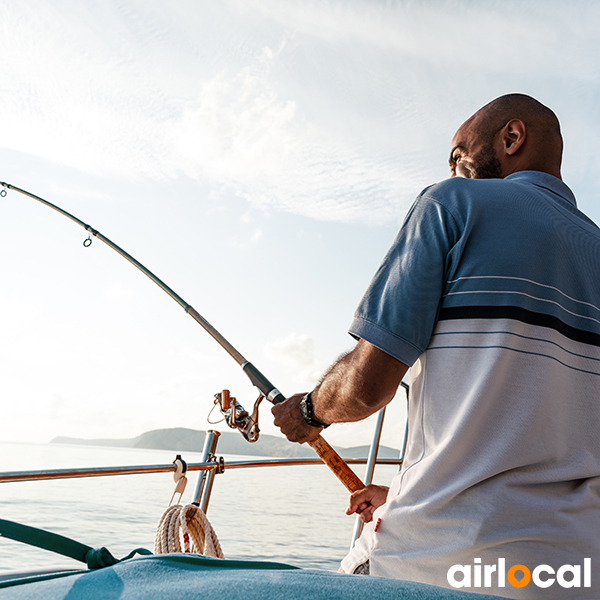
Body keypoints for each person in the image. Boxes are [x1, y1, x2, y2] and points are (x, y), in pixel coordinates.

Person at [272, 94, 600, 599]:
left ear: (511, 139)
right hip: (573, 571)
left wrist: (310, 412)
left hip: (442, 561)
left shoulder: (452, 204)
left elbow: (364, 388)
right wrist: (400, 492)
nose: (452, 168)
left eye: (457, 153)